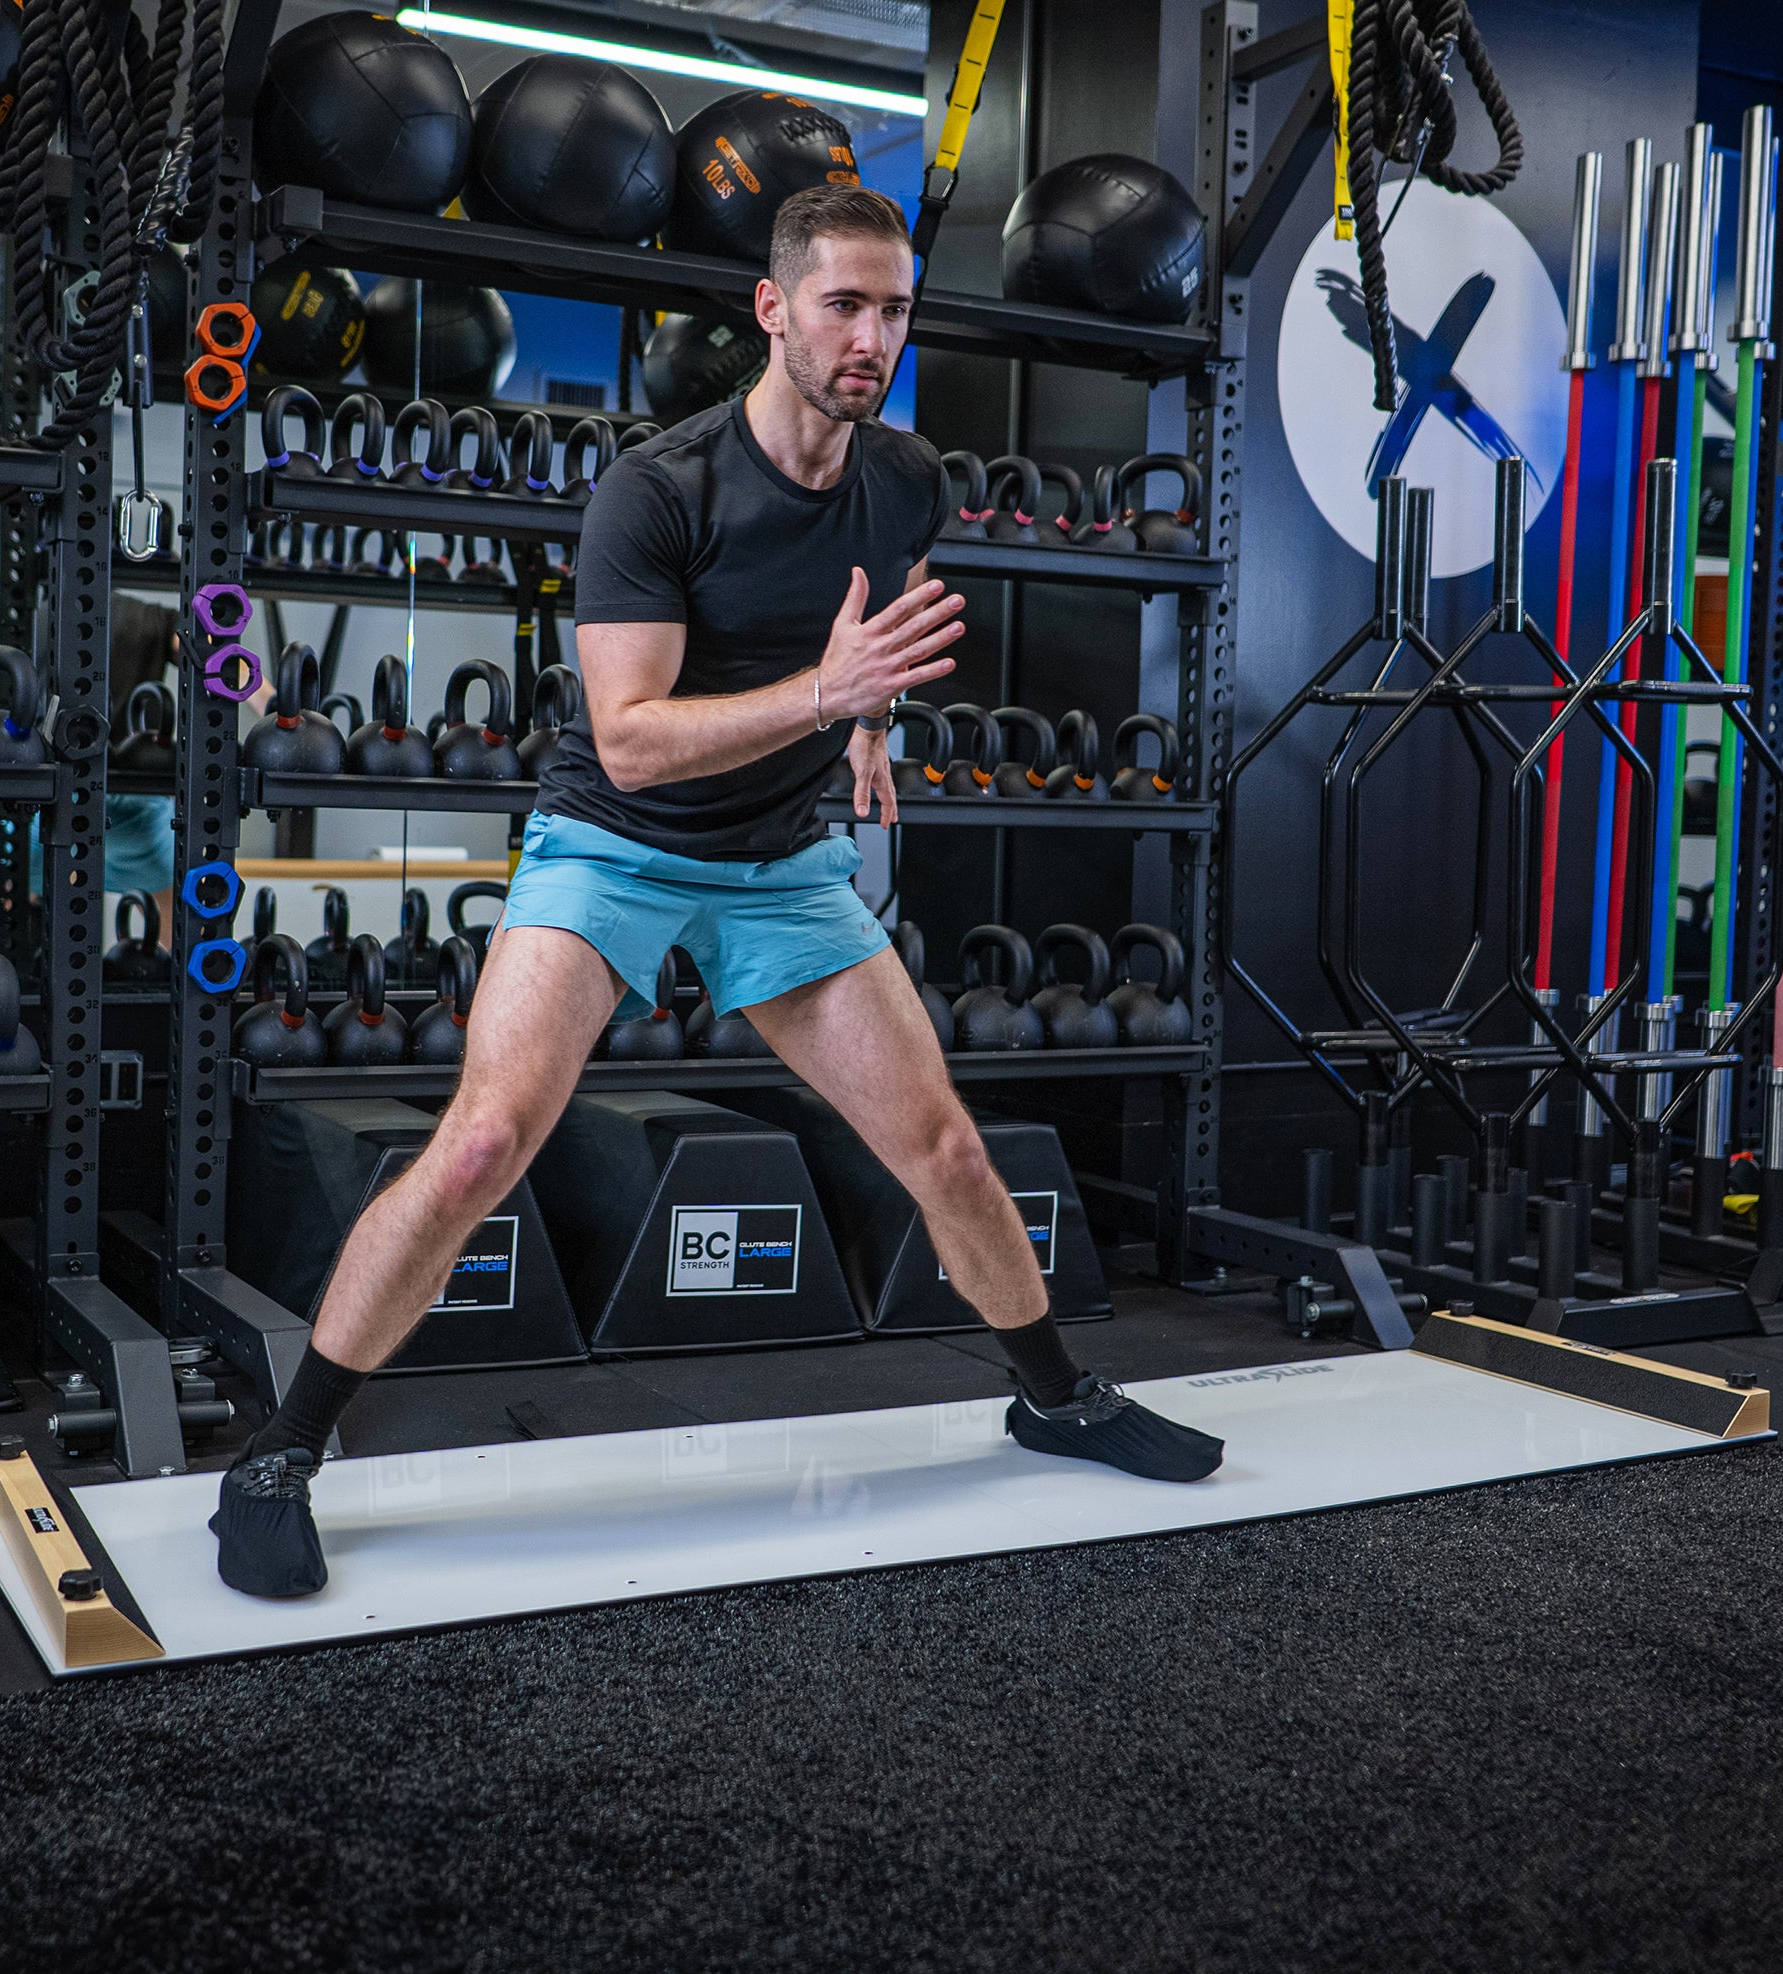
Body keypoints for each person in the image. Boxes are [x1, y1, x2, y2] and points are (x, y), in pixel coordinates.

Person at [211, 183, 1223, 1600]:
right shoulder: (659, 489)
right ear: (773, 309)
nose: (873, 336)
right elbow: (627, 733)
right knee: (482, 1146)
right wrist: (827, 693)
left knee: (944, 1150)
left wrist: (864, 724)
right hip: (612, 846)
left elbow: (880, 608)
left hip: (779, 863)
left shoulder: (905, 475)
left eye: (895, 310)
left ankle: (1054, 1395)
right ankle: (280, 1452)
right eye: (845, 305)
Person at [0, 595, 181, 995]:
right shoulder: (149, 618)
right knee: (191, 954)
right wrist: (274, 705)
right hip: (86, 811)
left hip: (66, 808)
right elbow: (219, 657)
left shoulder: (31, 615)